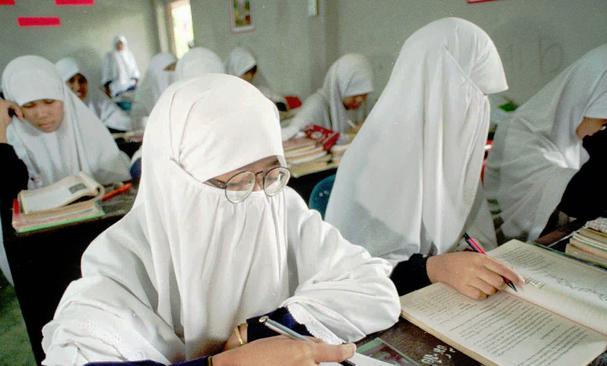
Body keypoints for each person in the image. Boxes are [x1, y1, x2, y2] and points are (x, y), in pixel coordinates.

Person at [41, 74, 400, 365]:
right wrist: (228, 364)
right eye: (237, 181)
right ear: (177, 184)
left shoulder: (279, 205)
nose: (257, 197)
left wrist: (258, 332)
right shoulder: (119, 264)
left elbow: (373, 288)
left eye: (271, 173)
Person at [326, 18, 524, 299]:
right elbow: (348, 280)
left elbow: (472, 236)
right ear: (441, 87)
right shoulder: (374, 164)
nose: (481, 110)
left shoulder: (447, 150)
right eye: (474, 94)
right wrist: (431, 269)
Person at [484, 42, 607, 242]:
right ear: (581, 102)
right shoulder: (521, 135)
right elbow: (588, 201)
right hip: (505, 252)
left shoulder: (578, 135)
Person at [0, 55, 131, 285]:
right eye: (29, 105)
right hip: (44, 260)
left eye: (50, 102)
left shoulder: (90, 132)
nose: (42, 113)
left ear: (63, 98)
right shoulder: (8, 148)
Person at [281, 53, 373, 140]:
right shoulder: (315, 105)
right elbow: (294, 131)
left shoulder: (353, 106)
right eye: (354, 95)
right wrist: (348, 136)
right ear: (341, 86)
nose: (360, 100)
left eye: (364, 95)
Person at [55, 57, 132, 132]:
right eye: (71, 81)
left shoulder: (94, 96)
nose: (78, 87)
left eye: (82, 80)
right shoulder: (52, 108)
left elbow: (114, 116)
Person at [130, 52, 177, 129]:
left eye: (174, 69)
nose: (172, 73)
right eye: (168, 69)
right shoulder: (143, 96)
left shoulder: (179, 90)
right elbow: (136, 123)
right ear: (155, 71)